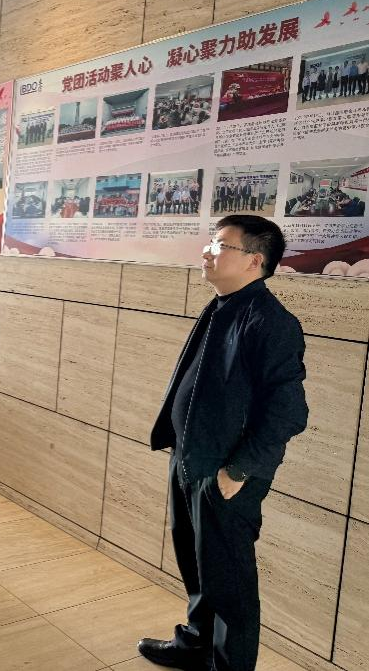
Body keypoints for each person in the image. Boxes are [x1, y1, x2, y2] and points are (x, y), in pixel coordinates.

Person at [137, 215, 308, 671]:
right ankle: (196, 644)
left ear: (254, 260)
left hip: (226, 472)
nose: (207, 252)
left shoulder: (271, 322)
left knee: (230, 584)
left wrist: (237, 471)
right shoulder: (221, 306)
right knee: (197, 564)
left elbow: (289, 413)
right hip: (191, 459)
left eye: (220, 245)